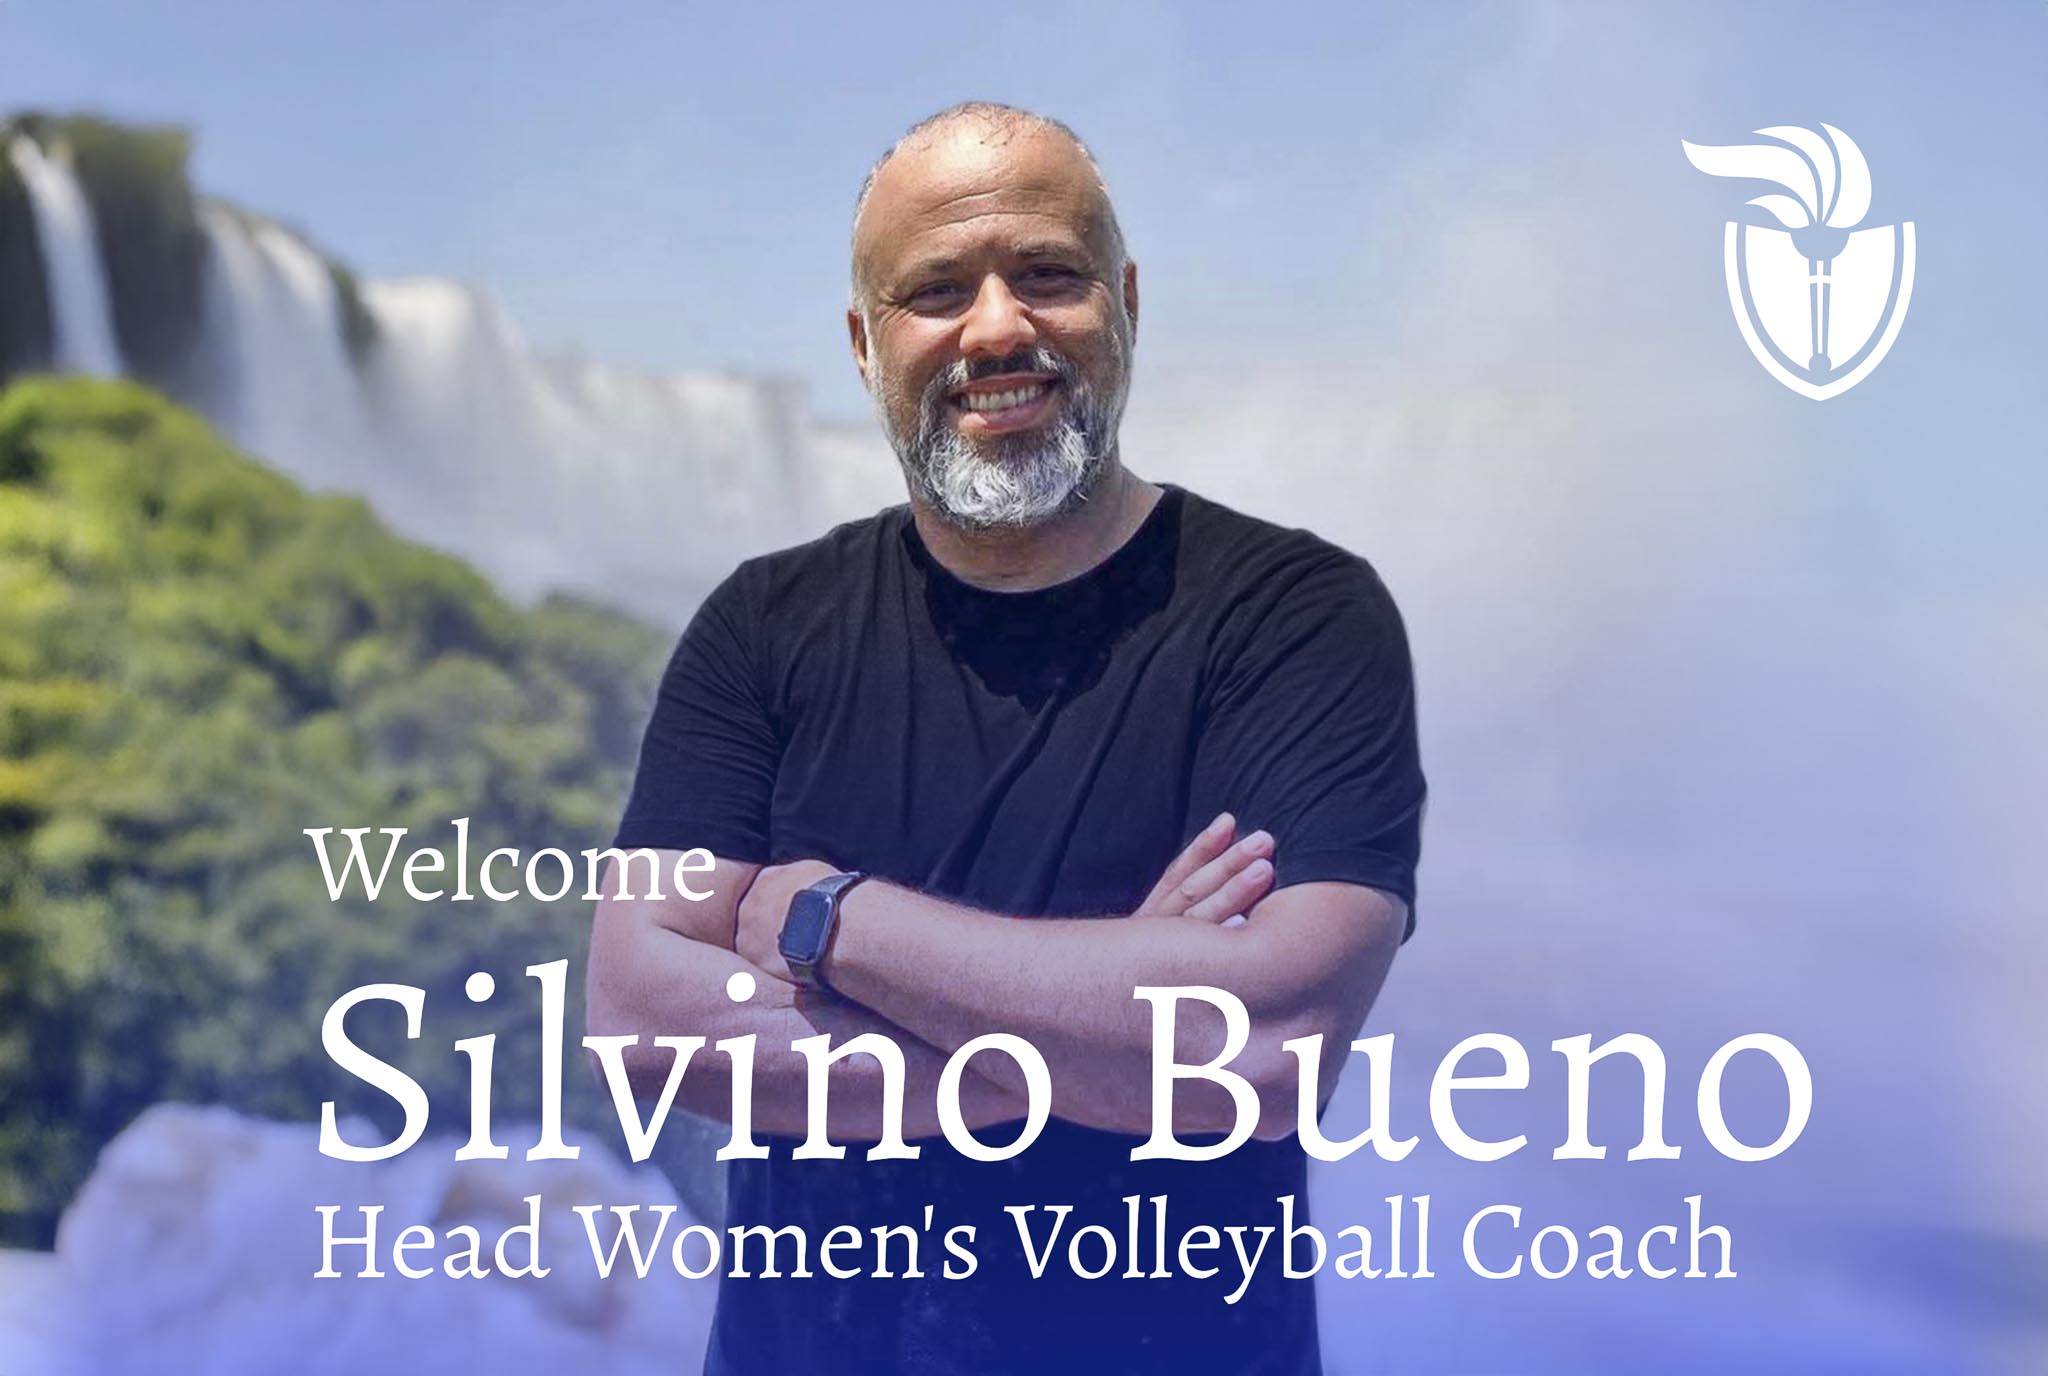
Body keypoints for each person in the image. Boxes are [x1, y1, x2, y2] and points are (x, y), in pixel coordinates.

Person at [586, 101, 1426, 1376]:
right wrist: (1106, 1037)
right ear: (866, 346)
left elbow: (1262, 1050)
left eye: (1045, 274)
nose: (996, 326)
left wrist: (830, 924)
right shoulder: (760, 626)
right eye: (936, 290)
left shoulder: (1293, 615)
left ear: (1125, 301)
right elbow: (641, 1023)